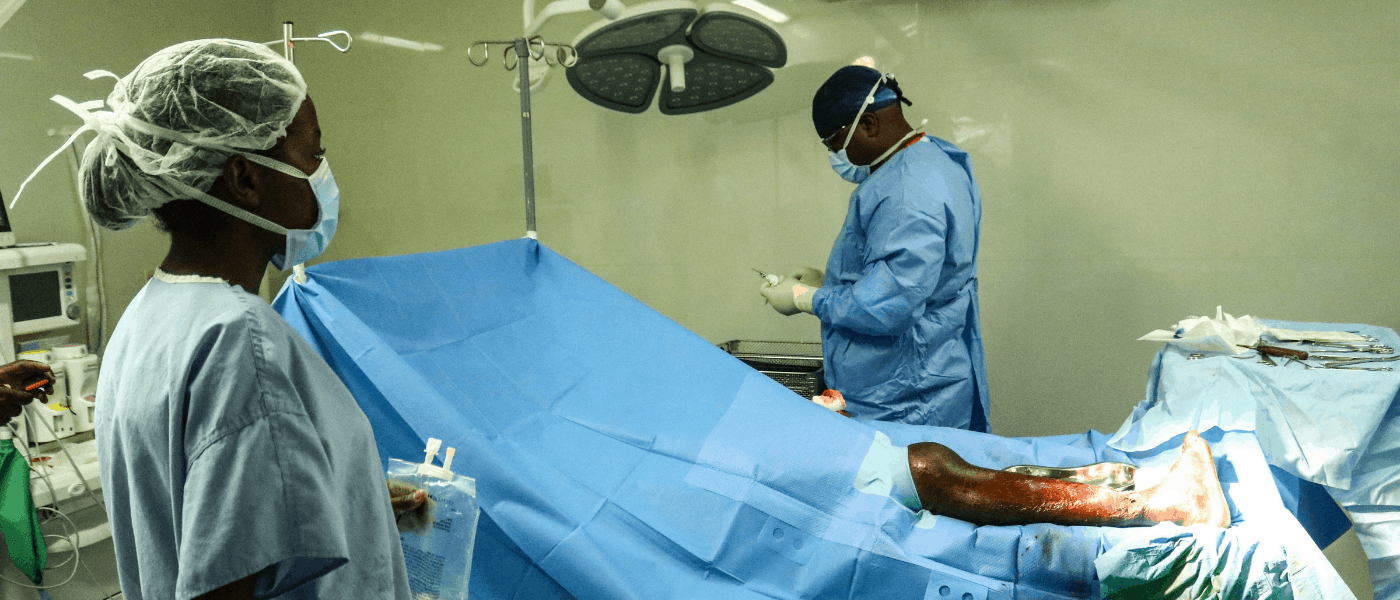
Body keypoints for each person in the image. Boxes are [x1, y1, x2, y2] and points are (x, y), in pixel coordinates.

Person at [19, 39, 422, 600]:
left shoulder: (149, 317)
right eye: (313, 154)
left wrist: (357, 502)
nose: (323, 174)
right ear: (245, 178)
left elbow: (216, 512)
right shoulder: (239, 342)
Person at [761, 65, 989, 432]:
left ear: (868, 125)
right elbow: (912, 274)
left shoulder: (906, 191)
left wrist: (805, 298)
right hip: (928, 375)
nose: (835, 154)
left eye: (835, 142)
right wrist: (829, 282)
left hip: (904, 398)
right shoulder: (935, 159)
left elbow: (889, 304)